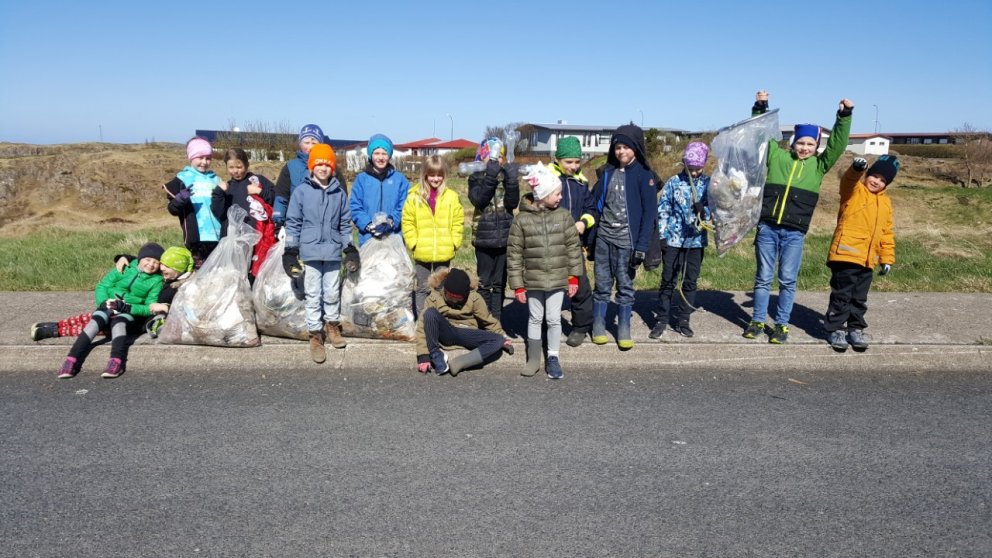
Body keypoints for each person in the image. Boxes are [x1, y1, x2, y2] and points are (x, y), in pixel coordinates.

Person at [743, 91, 854, 344]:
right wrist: (761, 107)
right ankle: (758, 321)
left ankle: (781, 325)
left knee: (787, 280)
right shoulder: (777, 157)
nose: (804, 148)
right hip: (768, 229)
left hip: (795, 233)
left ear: (816, 148)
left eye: (810, 144)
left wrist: (844, 116)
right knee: (762, 278)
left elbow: (837, 142)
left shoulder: (819, 166)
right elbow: (761, 134)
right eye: (800, 143)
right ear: (792, 143)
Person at [283, 144, 360, 363]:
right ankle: (315, 334)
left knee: (332, 291)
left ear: (333, 167)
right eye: (319, 163)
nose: (323, 168)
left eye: (327, 164)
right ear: (311, 166)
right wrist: (290, 249)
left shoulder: (338, 193)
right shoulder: (301, 192)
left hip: (333, 250)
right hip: (310, 250)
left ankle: (332, 326)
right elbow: (294, 222)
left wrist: (349, 247)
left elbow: (345, 223)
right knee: (313, 293)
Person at [508, 164, 584, 379]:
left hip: (558, 279)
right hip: (533, 281)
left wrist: (573, 277)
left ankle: (553, 356)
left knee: (553, 319)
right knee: (534, 318)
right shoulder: (521, 220)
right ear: (542, 195)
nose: (560, 197)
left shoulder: (564, 216)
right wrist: (518, 285)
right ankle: (533, 358)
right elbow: (514, 254)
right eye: (556, 193)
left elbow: (572, 248)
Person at [587, 125, 657, 350]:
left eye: (626, 147)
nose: (621, 151)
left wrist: (642, 246)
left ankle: (623, 326)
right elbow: (596, 205)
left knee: (625, 286)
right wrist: (589, 236)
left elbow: (649, 215)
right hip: (604, 239)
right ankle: (598, 324)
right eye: (618, 147)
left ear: (636, 148)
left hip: (628, 243)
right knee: (602, 284)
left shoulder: (645, 176)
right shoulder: (606, 172)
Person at [32, 246, 194, 342]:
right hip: (122, 307)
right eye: (162, 265)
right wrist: (125, 257)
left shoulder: (177, 286)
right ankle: (55, 324)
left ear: (178, 269)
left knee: (95, 327)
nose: (161, 268)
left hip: (136, 320)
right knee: (88, 318)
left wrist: (162, 309)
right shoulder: (165, 275)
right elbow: (147, 259)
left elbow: (168, 308)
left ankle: (53, 331)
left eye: (165, 266)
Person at [56, 243, 165, 379]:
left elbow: (149, 307)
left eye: (156, 262)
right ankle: (71, 360)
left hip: (129, 311)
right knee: (96, 321)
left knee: (119, 323)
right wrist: (102, 302)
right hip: (109, 305)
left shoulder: (157, 281)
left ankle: (116, 361)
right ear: (140, 258)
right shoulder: (126, 267)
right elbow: (103, 285)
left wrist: (128, 308)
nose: (151, 264)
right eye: (148, 260)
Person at [824, 155, 898, 352]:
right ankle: (836, 329)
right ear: (867, 175)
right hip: (846, 254)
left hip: (868, 260)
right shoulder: (854, 191)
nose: (877, 182)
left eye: (883, 180)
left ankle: (855, 329)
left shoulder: (885, 204)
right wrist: (856, 169)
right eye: (875, 176)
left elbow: (886, 233)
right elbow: (847, 181)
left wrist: (886, 258)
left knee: (859, 298)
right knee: (842, 295)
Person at [650, 141, 712, 340]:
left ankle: (683, 319)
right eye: (690, 168)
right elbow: (663, 209)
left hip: (695, 241)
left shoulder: (710, 185)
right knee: (668, 279)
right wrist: (662, 237)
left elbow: (717, 211)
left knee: (690, 280)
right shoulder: (674, 182)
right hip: (674, 240)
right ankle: (661, 319)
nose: (694, 173)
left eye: (698, 168)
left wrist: (705, 210)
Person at [415, 267, 513, 377]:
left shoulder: (474, 298)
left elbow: (488, 321)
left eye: (458, 299)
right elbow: (422, 327)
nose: (454, 301)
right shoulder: (434, 298)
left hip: (467, 333)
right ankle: (436, 354)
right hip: (447, 333)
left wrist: (502, 336)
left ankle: (461, 362)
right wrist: (423, 356)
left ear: (466, 294)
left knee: (498, 340)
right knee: (430, 313)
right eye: (450, 297)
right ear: (445, 290)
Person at [547, 136, 597, 347]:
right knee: (548, 286)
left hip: (574, 244)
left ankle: (581, 326)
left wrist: (584, 223)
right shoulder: (547, 178)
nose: (574, 166)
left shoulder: (581, 182)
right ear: (558, 159)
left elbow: (591, 209)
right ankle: (546, 324)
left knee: (580, 286)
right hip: (550, 244)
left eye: (577, 161)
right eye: (569, 162)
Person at [401, 155, 464, 316]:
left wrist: (454, 242)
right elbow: (407, 221)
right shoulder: (414, 197)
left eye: (439, 175)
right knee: (422, 287)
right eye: (432, 174)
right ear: (425, 175)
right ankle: (423, 321)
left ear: (444, 175)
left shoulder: (451, 197)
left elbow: (458, 221)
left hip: (444, 251)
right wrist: (413, 242)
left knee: (441, 287)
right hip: (422, 250)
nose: (435, 179)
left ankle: (440, 320)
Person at [467, 137, 520, 321]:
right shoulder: (475, 178)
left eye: (498, 157)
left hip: (505, 237)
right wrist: (490, 176)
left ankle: (496, 321)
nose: (495, 161)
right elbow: (479, 200)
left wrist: (512, 181)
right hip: (483, 237)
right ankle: (483, 319)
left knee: (499, 284)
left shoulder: (506, 177)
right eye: (489, 157)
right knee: (484, 283)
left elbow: (512, 203)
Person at [211, 148, 277, 279]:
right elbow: (219, 213)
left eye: (239, 166)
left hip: (257, 237)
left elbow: (276, 198)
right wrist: (218, 193)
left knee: (255, 271)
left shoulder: (258, 181)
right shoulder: (227, 187)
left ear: (246, 165)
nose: (235, 171)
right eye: (231, 167)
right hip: (234, 239)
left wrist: (259, 191)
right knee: (235, 274)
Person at [163, 137, 224, 267]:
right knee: (200, 274)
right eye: (200, 157)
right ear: (191, 157)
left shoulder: (216, 179)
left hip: (218, 235)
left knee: (219, 273)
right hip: (197, 237)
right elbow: (172, 209)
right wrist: (179, 200)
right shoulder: (182, 179)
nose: (204, 162)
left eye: (208, 158)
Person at [350, 134, 411, 246]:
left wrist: (391, 221)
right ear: (370, 155)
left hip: (393, 237)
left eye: (384, 153)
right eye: (376, 153)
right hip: (368, 238)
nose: (380, 157)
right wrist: (368, 225)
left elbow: (405, 204)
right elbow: (355, 205)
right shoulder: (361, 179)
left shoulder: (400, 180)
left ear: (389, 155)